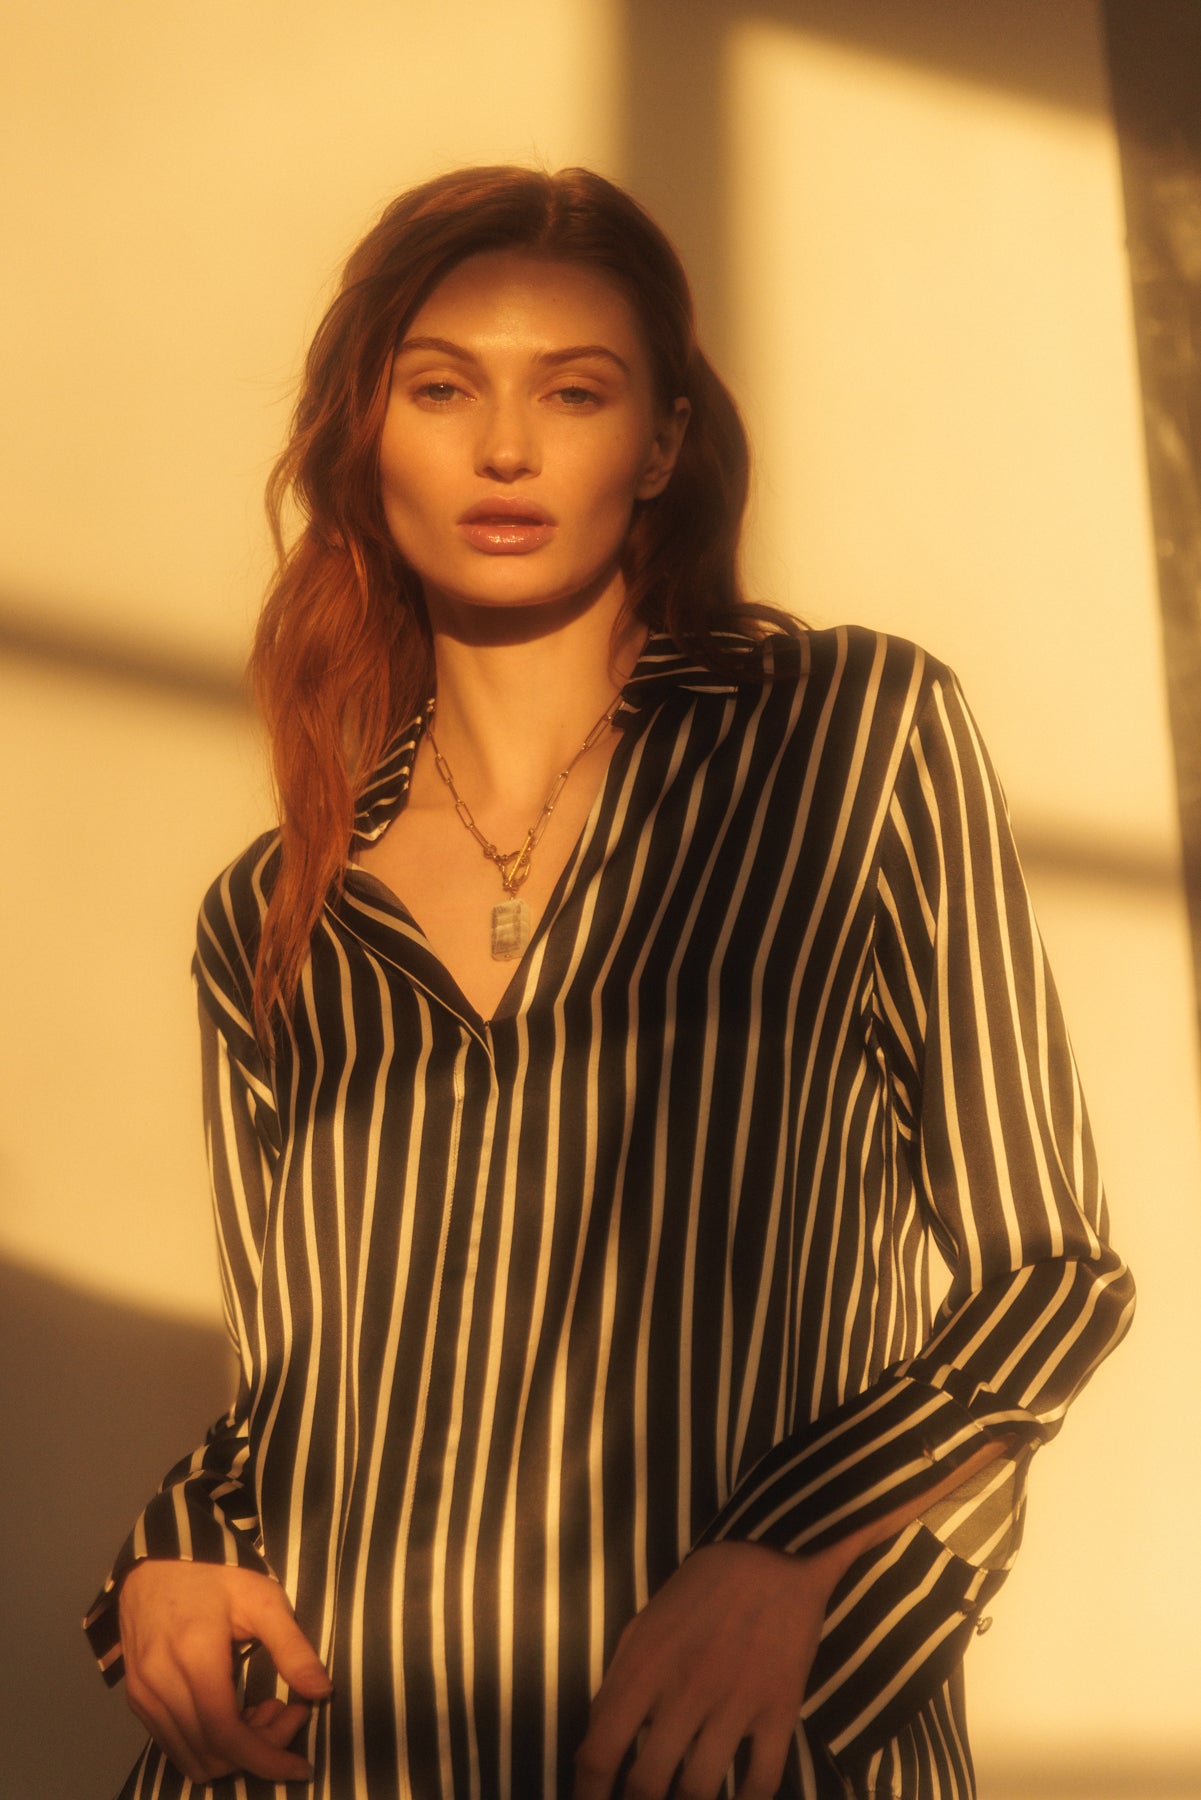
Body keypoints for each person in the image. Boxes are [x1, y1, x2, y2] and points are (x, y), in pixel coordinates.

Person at [85, 165, 1133, 1800]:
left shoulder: (850, 741)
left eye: (572, 393)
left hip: (726, 1755)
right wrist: (169, 1563)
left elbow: (1048, 1275)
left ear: (654, 445)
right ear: (370, 432)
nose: (505, 448)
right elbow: (294, 1395)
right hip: (343, 1759)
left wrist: (780, 1566)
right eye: (442, 389)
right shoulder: (276, 911)